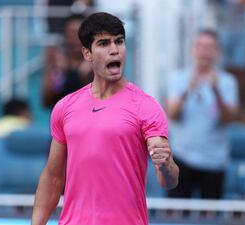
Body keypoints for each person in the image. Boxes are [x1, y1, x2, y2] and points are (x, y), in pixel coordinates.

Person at [32, 12, 179, 225]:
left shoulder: (146, 106)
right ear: (87, 53)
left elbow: (168, 180)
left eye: (119, 41)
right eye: (103, 43)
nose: (114, 49)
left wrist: (166, 164)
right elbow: (53, 178)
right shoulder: (65, 107)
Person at [166, 29, 239, 199]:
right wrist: (186, 90)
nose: (205, 51)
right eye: (200, 46)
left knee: (210, 216)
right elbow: (172, 114)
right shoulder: (178, 78)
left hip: (214, 161)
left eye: (210, 47)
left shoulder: (227, 82)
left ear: (217, 52)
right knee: (175, 216)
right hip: (181, 158)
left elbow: (228, 119)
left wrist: (216, 91)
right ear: (193, 49)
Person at [42, 13, 92, 108]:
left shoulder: (97, 64)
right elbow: (46, 101)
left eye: (80, 34)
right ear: (64, 36)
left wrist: (87, 77)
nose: (76, 38)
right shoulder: (57, 64)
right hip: (62, 120)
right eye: (71, 33)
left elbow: (102, 101)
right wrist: (59, 75)